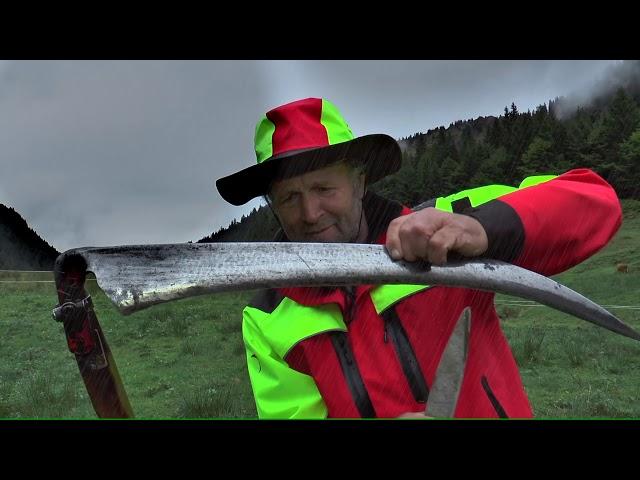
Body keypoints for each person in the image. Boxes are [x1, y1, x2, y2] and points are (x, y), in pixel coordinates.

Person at [215, 97, 622, 419]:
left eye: (324, 188)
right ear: (272, 205)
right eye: (290, 197)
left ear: (359, 182)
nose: (310, 213)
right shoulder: (267, 316)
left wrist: (481, 230)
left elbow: (594, 199)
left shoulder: (444, 225)